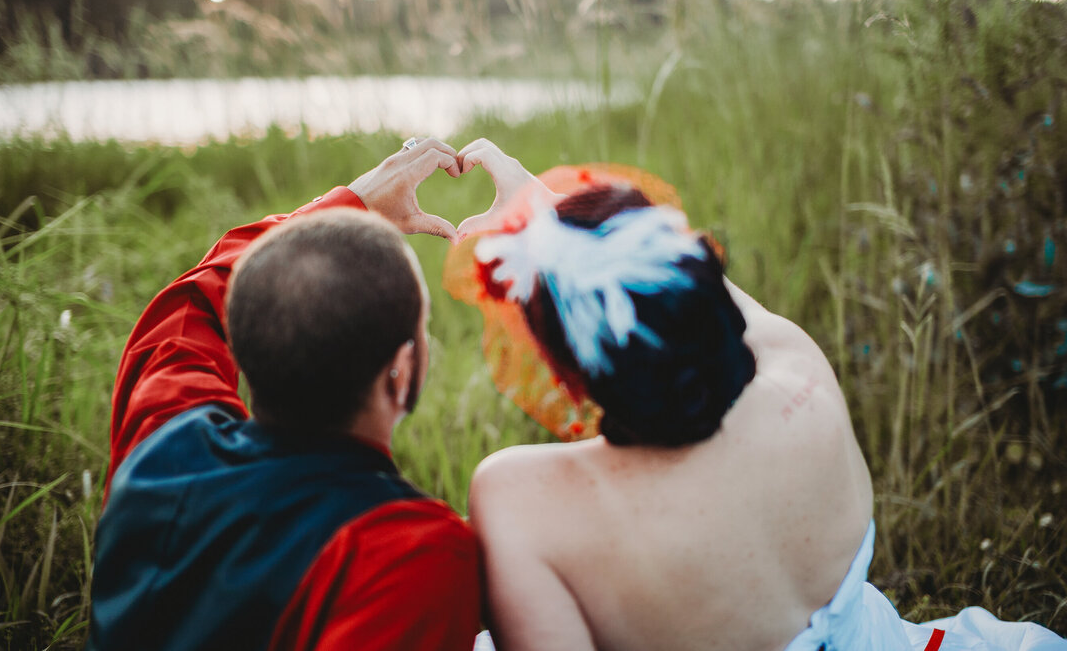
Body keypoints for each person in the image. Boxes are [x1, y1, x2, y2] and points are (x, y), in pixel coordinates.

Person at [449, 143, 1067, 651]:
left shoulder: (517, 498)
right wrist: (549, 208)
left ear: (569, 377)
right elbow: (725, 305)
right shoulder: (801, 376)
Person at [87, 139, 481, 651]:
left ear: (248, 337)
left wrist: (351, 202)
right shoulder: (410, 553)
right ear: (400, 371)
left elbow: (188, 306)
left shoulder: (165, 446)